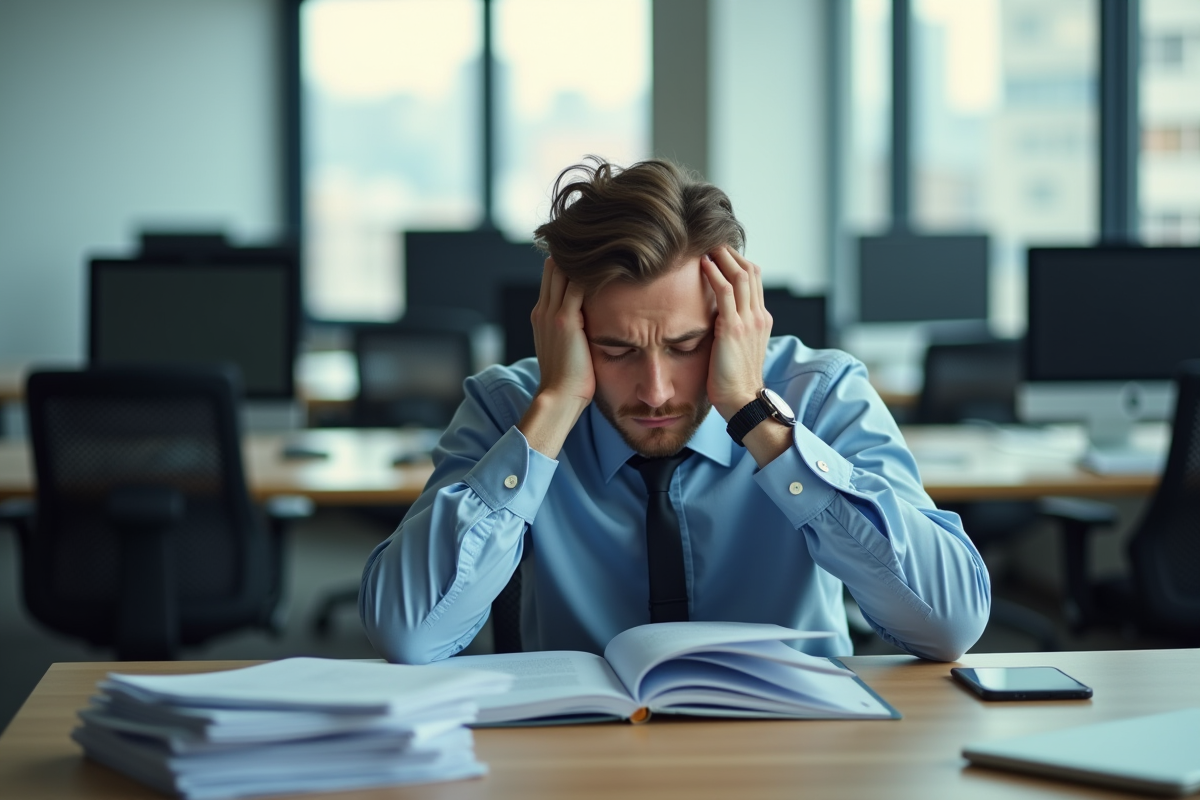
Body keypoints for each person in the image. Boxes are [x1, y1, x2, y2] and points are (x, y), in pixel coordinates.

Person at [361, 158, 990, 664]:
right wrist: (553, 411)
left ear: (734, 323)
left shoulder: (823, 393)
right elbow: (408, 633)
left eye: (686, 346)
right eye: (616, 349)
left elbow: (949, 625)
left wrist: (753, 415)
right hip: (582, 759)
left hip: (794, 754)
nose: (656, 390)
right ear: (568, 331)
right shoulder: (510, 407)